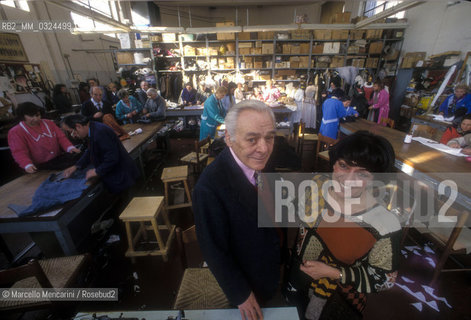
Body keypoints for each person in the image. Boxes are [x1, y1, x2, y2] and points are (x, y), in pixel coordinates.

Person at [285, 131, 400, 320]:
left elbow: (384, 279)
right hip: (297, 278)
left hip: (340, 299)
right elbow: (298, 213)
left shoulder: (384, 224)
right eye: (343, 165)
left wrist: (335, 273)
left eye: (362, 173)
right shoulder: (316, 186)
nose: (348, 179)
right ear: (334, 163)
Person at [193, 100, 280, 320]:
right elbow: (213, 249)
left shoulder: (259, 160)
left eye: (269, 137)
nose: (264, 148)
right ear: (229, 138)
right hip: (245, 283)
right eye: (252, 139)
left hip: (270, 270)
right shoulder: (209, 187)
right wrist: (240, 294)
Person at [61, 114, 139, 194]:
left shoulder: (100, 132)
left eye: (71, 132)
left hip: (122, 176)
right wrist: (76, 166)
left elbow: (112, 157)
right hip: (118, 174)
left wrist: (97, 171)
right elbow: (90, 150)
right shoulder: (92, 129)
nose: (73, 136)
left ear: (78, 126)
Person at [8, 102, 80, 173]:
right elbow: (19, 151)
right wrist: (27, 164)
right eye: (31, 116)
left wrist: (70, 148)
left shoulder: (49, 123)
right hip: (39, 167)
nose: (36, 118)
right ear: (23, 116)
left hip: (57, 159)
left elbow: (61, 138)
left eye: (37, 115)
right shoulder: (16, 132)